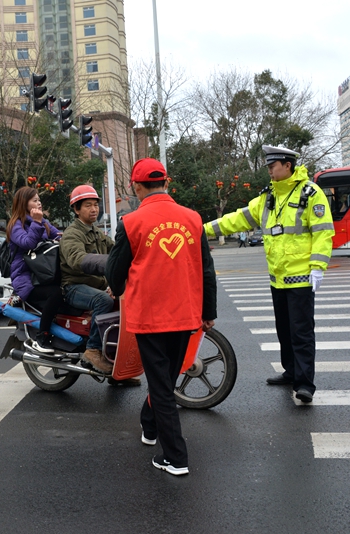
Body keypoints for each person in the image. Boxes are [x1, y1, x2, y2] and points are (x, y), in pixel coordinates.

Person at [107, 158, 217, 476]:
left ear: (138, 187)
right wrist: (208, 312)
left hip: (150, 317)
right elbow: (207, 270)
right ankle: (150, 426)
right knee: (165, 380)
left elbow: (115, 268)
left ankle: (175, 457)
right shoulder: (193, 219)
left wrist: (115, 287)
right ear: (166, 183)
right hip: (186, 314)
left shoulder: (131, 222)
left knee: (161, 387)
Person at [204, 145, 334, 403]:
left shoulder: (311, 194)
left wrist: (318, 267)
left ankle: (305, 383)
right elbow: (236, 220)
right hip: (278, 278)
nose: (269, 172)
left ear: (288, 165)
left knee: (301, 332)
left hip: (301, 278)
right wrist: (198, 229)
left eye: (272, 167)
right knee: (284, 330)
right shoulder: (268, 198)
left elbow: (323, 232)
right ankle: (291, 371)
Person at [59, 185, 116, 374]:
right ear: (76, 209)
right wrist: (108, 262)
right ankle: (92, 349)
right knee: (104, 299)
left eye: (96, 205)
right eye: (88, 205)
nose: (94, 209)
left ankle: (116, 362)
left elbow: (115, 250)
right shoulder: (72, 234)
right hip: (74, 287)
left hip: (95, 284)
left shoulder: (96, 232)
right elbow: (76, 259)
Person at [6, 186, 63, 354]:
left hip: (43, 273)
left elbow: (57, 235)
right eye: (34, 200)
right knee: (56, 293)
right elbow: (27, 243)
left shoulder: (43, 222)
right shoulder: (16, 225)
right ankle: (42, 337)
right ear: (24, 203)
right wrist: (37, 222)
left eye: (39, 200)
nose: (39, 203)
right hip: (26, 278)